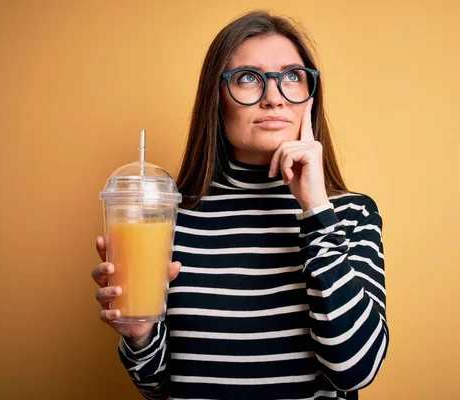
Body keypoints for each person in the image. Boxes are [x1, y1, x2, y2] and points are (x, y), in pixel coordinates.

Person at [91, 10, 388, 400]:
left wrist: (316, 210)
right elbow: (158, 386)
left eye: (291, 77)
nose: (273, 97)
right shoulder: (168, 217)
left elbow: (356, 370)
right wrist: (139, 333)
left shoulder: (350, 214)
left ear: (310, 99)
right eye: (249, 77)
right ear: (216, 98)